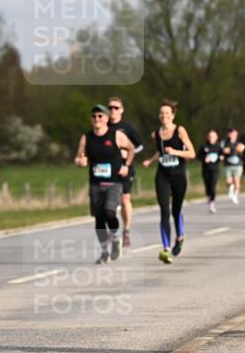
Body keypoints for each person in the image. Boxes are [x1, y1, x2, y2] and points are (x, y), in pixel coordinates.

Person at [75, 105, 135, 264]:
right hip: (95, 184)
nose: (97, 119)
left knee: (110, 212)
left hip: (113, 183)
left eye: (100, 116)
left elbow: (131, 149)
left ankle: (116, 239)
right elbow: (79, 157)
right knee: (99, 220)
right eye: (94, 116)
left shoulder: (116, 135)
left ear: (107, 118)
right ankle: (104, 252)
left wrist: (126, 166)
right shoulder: (86, 138)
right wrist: (80, 161)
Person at [141, 100, 195, 264]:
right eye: (161, 113)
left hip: (178, 176)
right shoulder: (156, 134)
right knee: (164, 210)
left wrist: (177, 152)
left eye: (167, 113)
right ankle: (165, 248)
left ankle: (179, 237)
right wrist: (150, 160)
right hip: (163, 175)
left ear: (172, 115)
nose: (164, 116)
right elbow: (161, 152)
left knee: (175, 210)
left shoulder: (180, 130)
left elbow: (191, 153)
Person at [107, 97, 144, 248]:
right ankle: (112, 230)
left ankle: (126, 230)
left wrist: (126, 153)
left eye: (116, 108)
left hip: (125, 167)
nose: (113, 110)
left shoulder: (127, 127)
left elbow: (140, 145)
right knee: (109, 201)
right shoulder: (104, 126)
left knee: (124, 199)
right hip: (109, 168)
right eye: (110, 107)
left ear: (121, 110)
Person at [219, 127, 245, 205]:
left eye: (233, 133)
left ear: (236, 133)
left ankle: (235, 195)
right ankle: (230, 189)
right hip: (228, 164)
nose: (231, 134)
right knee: (228, 181)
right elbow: (221, 150)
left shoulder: (239, 142)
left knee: (237, 180)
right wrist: (223, 153)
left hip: (238, 164)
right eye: (230, 133)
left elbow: (243, 150)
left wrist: (240, 150)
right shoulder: (224, 141)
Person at [200, 129, 221, 213]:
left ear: (216, 138)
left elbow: (222, 154)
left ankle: (212, 203)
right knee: (207, 186)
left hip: (215, 170)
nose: (211, 138)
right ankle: (209, 196)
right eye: (210, 136)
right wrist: (204, 158)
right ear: (208, 137)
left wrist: (221, 157)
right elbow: (198, 156)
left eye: (213, 136)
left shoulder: (218, 146)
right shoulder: (204, 146)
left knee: (213, 186)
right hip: (206, 170)